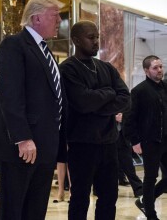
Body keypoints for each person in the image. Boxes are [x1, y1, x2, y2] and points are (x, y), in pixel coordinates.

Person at [0, 0, 68, 220]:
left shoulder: (45, 50)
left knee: (35, 209)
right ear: (36, 18)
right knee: (14, 210)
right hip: (22, 147)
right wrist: (23, 137)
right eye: (54, 15)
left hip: (44, 144)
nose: (59, 20)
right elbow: (11, 95)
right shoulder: (14, 44)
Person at [59, 20, 130, 220]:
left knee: (109, 196)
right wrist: (108, 93)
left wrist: (97, 103)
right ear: (76, 40)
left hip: (108, 142)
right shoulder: (68, 69)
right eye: (91, 37)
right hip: (81, 144)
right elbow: (82, 102)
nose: (96, 41)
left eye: (97, 36)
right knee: (80, 197)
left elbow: (125, 98)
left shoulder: (106, 67)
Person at [124, 55, 167, 220]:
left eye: (161, 67)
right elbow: (129, 118)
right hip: (150, 142)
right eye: (155, 68)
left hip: (166, 139)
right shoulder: (139, 91)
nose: (159, 70)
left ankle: (145, 200)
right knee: (150, 177)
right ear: (146, 70)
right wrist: (134, 141)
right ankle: (150, 213)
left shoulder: (165, 87)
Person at [115, 113, 143, 197]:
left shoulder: (127, 100)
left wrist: (124, 116)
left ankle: (138, 188)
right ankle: (99, 188)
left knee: (128, 163)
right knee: (106, 164)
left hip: (123, 136)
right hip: (106, 135)